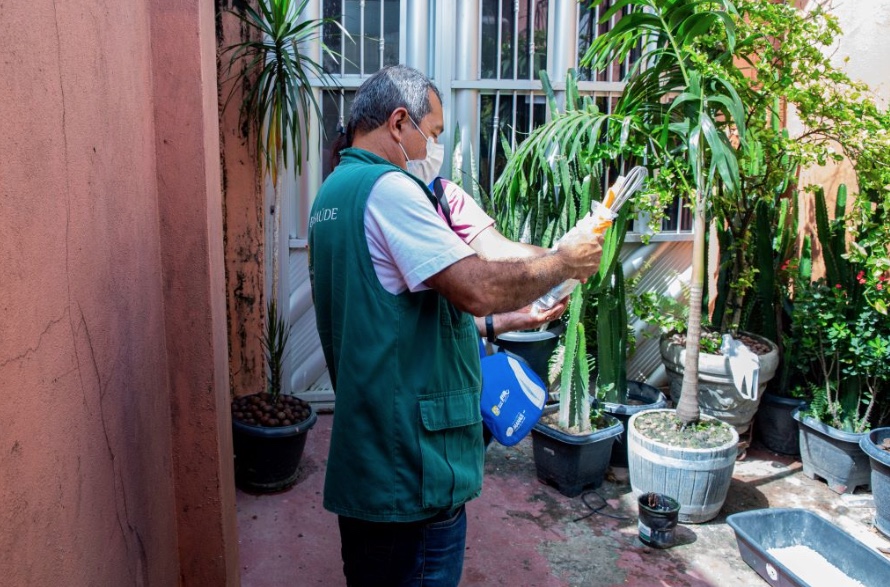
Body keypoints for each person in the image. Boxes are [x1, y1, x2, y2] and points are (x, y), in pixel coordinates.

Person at [308, 64, 604, 587]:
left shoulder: (333, 193)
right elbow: (477, 287)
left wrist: (507, 318)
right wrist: (562, 263)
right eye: (435, 134)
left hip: (373, 458)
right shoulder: (389, 191)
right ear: (400, 123)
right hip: (411, 470)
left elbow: (394, 324)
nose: (435, 148)